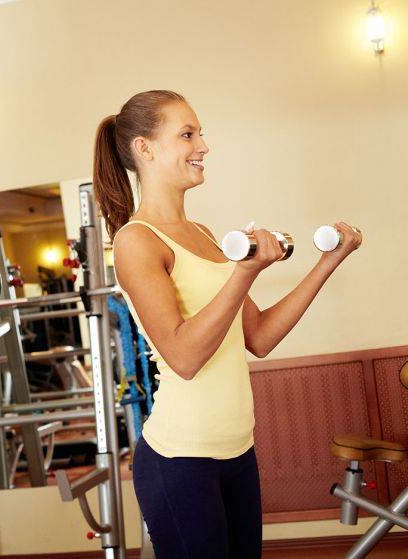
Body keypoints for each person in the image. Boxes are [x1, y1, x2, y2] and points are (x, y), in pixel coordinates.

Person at [95, 90, 361, 558]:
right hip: (180, 458)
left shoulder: (201, 234)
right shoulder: (136, 241)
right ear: (144, 148)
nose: (203, 146)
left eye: (200, 134)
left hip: (237, 450)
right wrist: (244, 272)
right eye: (187, 134)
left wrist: (328, 262)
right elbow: (184, 357)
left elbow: (258, 337)